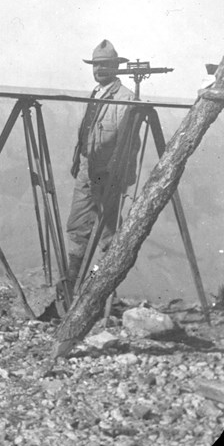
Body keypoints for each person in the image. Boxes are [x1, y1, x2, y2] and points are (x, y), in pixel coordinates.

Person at [62, 39, 139, 294]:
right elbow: (86, 132)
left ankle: (102, 291)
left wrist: (123, 175)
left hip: (108, 173)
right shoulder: (96, 94)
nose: (99, 70)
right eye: (96, 65)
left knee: (108, 234)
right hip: (87, 169)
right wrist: (78, 160)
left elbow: (130, 143)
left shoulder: (126, 98)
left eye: (105, 65)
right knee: (77, 225)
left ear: (116, 67)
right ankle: (72, 286)